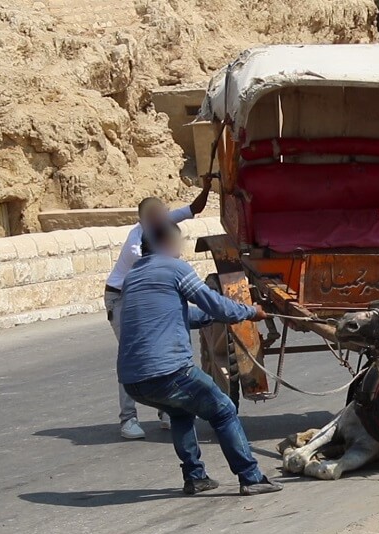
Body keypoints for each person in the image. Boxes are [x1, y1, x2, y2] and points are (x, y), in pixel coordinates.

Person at [118, 221, 283, 495]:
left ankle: (195, 477)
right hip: (169, 373)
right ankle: (251, 477)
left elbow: (182, 316)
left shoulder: (133, 276)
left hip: (134, 381)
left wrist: (217, 317)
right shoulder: (175, 269)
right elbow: (216, 304)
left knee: (180, 412)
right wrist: (250, 312)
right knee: (224, 410)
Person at [105, 193, 208, 440]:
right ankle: (128, 419)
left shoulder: (160, 226)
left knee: (163, 348)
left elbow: (193, 209)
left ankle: (166, 410)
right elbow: (160, 266)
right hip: (122, 298)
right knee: (133, 353)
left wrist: (207, 186)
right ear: (147, 219)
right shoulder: (136, 244)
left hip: (148, 294)